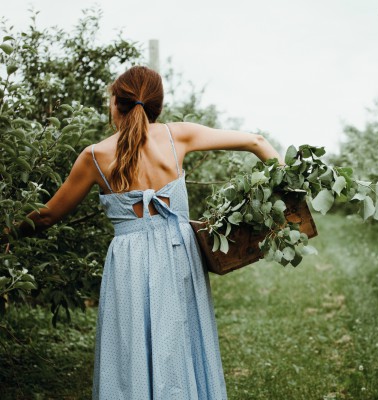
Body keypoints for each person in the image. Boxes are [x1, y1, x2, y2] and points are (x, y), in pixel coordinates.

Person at [10, 65, 283, 399]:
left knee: (131, 347)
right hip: (178, 251)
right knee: (181, 339)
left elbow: (48, 216)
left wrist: (9, 232)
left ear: (116, 103)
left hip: (130, 262)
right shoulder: (176, 135)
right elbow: (257, 141)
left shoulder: (95, 156)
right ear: (158, 106)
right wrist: (288, 189)